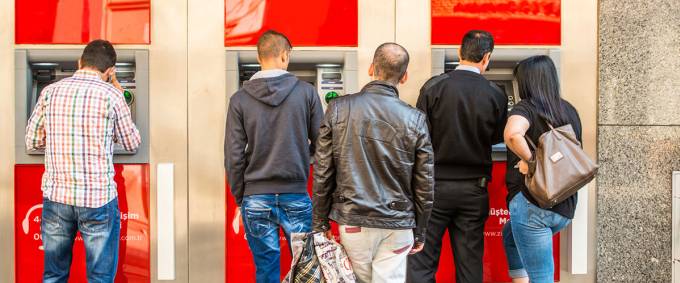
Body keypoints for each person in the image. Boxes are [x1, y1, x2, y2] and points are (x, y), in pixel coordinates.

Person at [312, 42, 434, 283]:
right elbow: (425, 183)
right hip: (398, 225)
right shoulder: (416, 119)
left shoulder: (338, 109)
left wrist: (320, 221)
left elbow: (323, 170)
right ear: (405, 76)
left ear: (371, 69)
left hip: (354, 220)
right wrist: (420, 231)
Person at [25, 39, 141, 282]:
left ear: (80, 62)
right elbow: (131, 143)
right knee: (100, 276)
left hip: (57, 198)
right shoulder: (112, 96)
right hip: (97, 199)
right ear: (110, 72)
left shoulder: (49, 91)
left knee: (54, 274)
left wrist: (59, 140)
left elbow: (32, 141)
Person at [407, 30, 508, 283]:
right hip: (475, 190)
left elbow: (419, 136)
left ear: (459, 53)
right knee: (470, 262)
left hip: (433, 188)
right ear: (486, 57)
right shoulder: (495, 93)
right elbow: (497, 137)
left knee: (422, 260)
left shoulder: (433, 87)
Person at [224, 30, 323, 283]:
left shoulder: (239, 99)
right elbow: (323, 145)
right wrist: (304, 157)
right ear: (284, 55)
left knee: (266, 269)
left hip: (255, 198)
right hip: (296, 195)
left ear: (259, 57)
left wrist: (240, 198)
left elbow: (234, 155)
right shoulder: (307, 93)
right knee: (305, 271)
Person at [502, 55, 582, 283]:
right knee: (509, 237)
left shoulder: (525, 107)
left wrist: (533, 161)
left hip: (533, 204)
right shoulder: (568, 110)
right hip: (563, 205)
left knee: (542, 277)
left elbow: (512, 134)